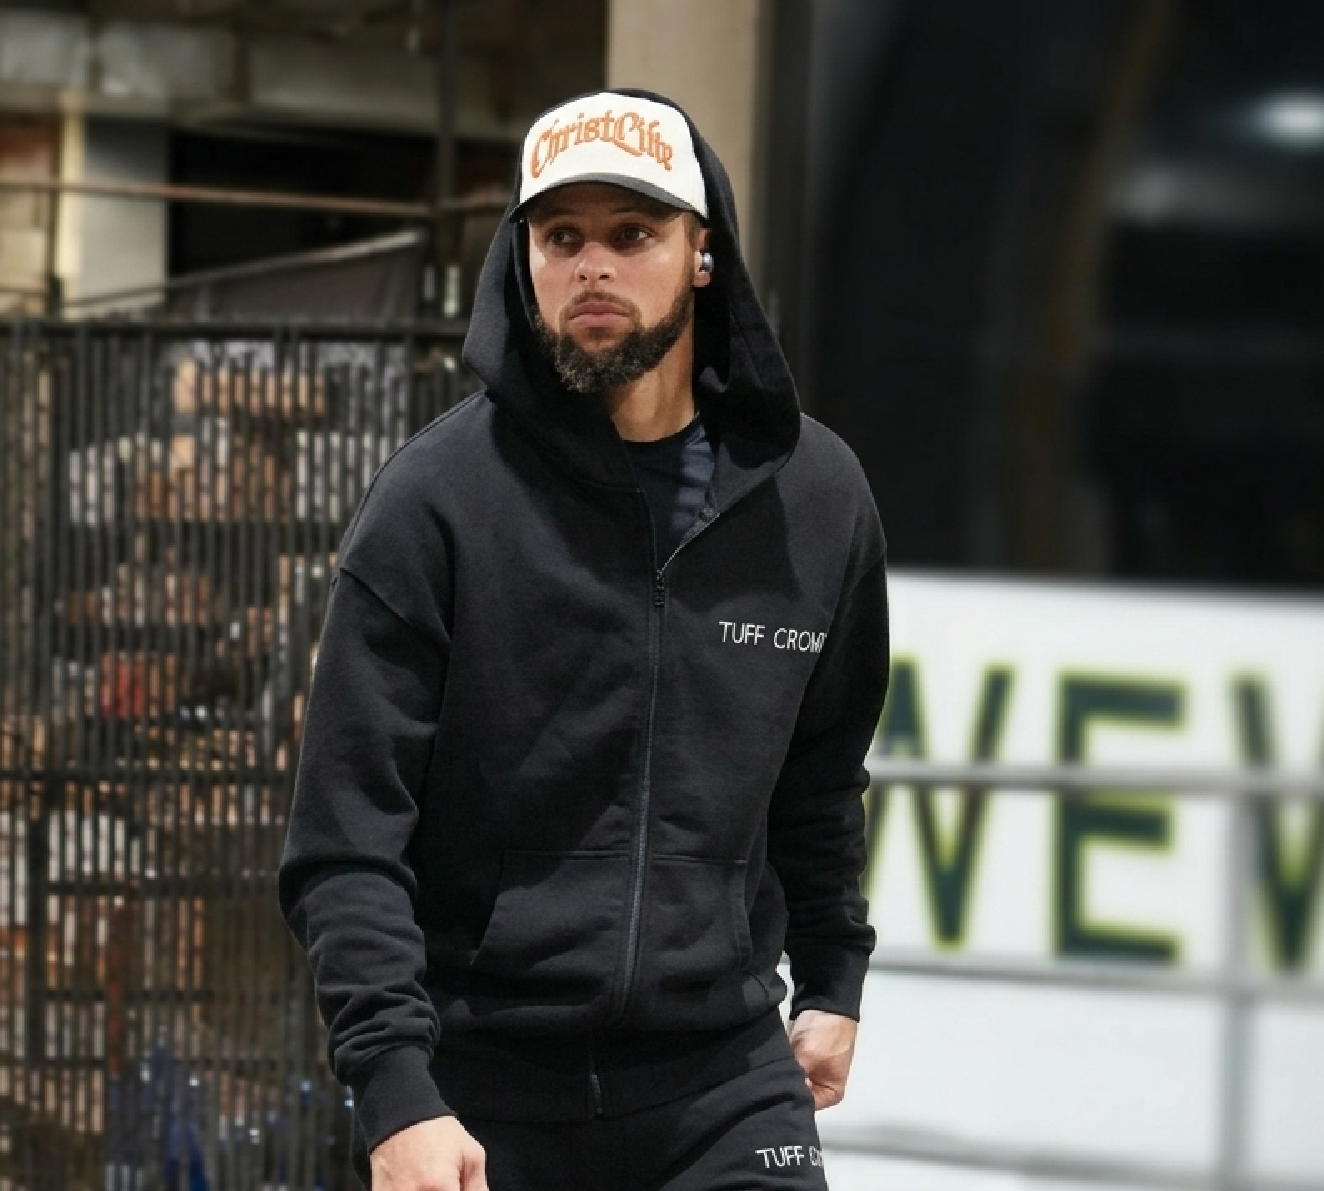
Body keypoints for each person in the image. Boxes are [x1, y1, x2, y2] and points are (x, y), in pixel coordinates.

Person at [278, 89, 888, 1191]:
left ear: (702, 254)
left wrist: (835, 974)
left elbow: (820, 774)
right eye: (562, 238)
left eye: (633, 234)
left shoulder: (818, 499)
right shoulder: (435, 501)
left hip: (723, 1081)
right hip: (481, 1089)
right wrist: (395, 1090)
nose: (592, 266)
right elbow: (344, 837)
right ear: (524, 261)